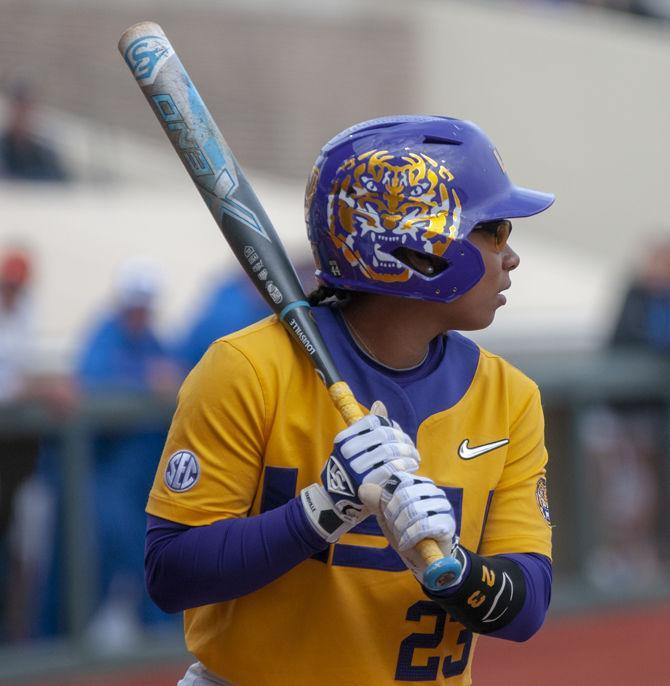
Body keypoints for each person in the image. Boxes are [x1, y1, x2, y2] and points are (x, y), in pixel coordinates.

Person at [144, 116, 555, 685]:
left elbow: (528, 605)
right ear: (418, 248)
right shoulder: (248, 369)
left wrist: (456, 572)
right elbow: (170, 572)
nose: (510, 256)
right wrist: (320, 511)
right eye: (494, 229)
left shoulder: (509, 396)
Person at [76, 256, 181, 646]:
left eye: (146, 304)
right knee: (96, 566)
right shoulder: (105, 335)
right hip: (104, 477)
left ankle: (154, 645)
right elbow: (92, 381)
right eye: (135, 304)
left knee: (149, 561)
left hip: (142, 481)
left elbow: (177, 373)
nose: (141, 312)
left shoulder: (152, 339)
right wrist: (145, 381)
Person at [0, 82, 70, 182]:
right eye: (18, 107)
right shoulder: (3, 150)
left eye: (27, 107)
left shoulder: (45, 154)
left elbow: (61, 183)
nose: (23, 114)